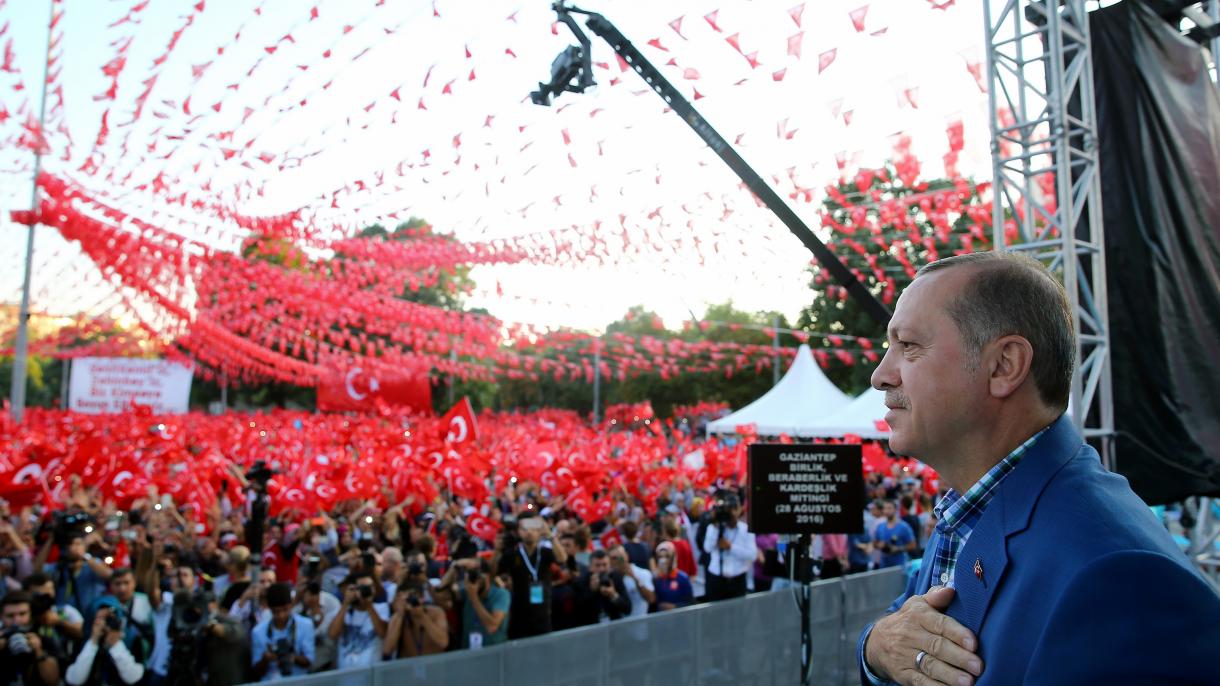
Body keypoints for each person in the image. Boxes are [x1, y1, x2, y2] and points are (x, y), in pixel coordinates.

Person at [859, 251, 1220, 685]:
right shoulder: (971, 506)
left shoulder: (1120, 576)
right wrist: (875, 646)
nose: (880, 375)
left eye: (909, 346)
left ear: (1004, 365)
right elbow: (908, 628)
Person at [495, 514, 567, 639]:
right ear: (518, 532)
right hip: (519, 612)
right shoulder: (512, 554)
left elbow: (562, 559)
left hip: (543, 612)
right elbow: (495, 572)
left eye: (533, 528)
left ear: (539, 531)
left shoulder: (545, 552)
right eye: (525, 529)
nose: (529, 532)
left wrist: (550, 535)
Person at [65, 605, 145, 686]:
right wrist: (93, 641)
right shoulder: (81, 643)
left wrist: (116, 644)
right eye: (100, 619)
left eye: (110, 619)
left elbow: (133, 678)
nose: (105, 624)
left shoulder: (132, 639)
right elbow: (74, 680)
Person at [251, 583, 314, 681]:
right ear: (269, 608)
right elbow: (257, 671)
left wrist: (293, 658)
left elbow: (310, 661)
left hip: (299, 681)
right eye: (276, 612)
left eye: (285, 610)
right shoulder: (258, 632)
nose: (281, 615)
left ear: (291, 604)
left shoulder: (306, 625)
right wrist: (265, 659)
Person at [443, 558, 509, 649]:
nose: (474, 580)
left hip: (494, 653)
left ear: (487, 576)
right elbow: (440, 595)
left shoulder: (501, 594)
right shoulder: (466, 592)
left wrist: (473, 597)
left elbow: (492, 626)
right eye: (470, 574)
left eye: (476, 575)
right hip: (468, 653)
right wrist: (454, 568)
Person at [701, 493, 756, 601]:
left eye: (734, 510)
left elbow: (752, 555)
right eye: (729, 510)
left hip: (738, 580)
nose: (731, 514)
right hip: (716, 579)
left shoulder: (746, 530)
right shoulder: (714, 527)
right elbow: (707, 548)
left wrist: (731, 547)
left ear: (739, 510)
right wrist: (716, 526)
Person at [0, 590, 62, 686]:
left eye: (22, 614)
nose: (16, 621)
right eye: (10, 616)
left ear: (31, 615)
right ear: (1, 617)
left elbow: (52, 681)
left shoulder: (44, 641)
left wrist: (39, 652)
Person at [327, 573, 388, 669]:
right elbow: (332, 634)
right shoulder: (343, 611)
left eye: (370, 587)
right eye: (362, 587)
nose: (366, 590)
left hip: (371, 677)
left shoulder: (382, 608)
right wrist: (346, 604)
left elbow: (382, 632)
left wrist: (368, 606)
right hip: (344, 677)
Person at [382, 575, 448, 658]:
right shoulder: (397, 617)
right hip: (409, 666)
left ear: (422, 598)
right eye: (403, 598)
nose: (408, 602)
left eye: (411, 597)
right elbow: (387, 650)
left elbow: (443, 642)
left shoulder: (436, 612)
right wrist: (399, 616)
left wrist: (422, 616)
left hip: (434, 664)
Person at [575, 550, 630, 625]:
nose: (601, 569)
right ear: (590, 567)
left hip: (614, 626)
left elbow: (627, 609)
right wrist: (592, 591)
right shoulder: (582, 581)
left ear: (609, 566)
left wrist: (613, 595)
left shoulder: (615, 577)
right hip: (592, 628)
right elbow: (578, 612)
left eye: (605, 565)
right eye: (597, 565)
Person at [609, 545, 654, 617]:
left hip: (640, 624)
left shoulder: (642, 573)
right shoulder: (609, 578)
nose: (618, 560)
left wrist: (635, 579)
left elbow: (651, 599)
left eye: (621, 557)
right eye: (614, 558)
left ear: (627, 556)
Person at [872, 501, 915, 570]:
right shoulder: (880, 526)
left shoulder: (904, 526)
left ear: (895, 509)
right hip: (884, 566)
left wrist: (898, 549)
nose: (887, 511)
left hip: (899, 566)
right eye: (885, 508)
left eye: (889, 508)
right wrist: (880, 545)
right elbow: (874, 543)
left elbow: (913, 545)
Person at [650, 542, 693, 610]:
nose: (663, 560)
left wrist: (675, 607)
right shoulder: (655, 578)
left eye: (667, 556)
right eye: (660, 557)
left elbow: (690, 603)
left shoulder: (682, 578)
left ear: (673, 557)